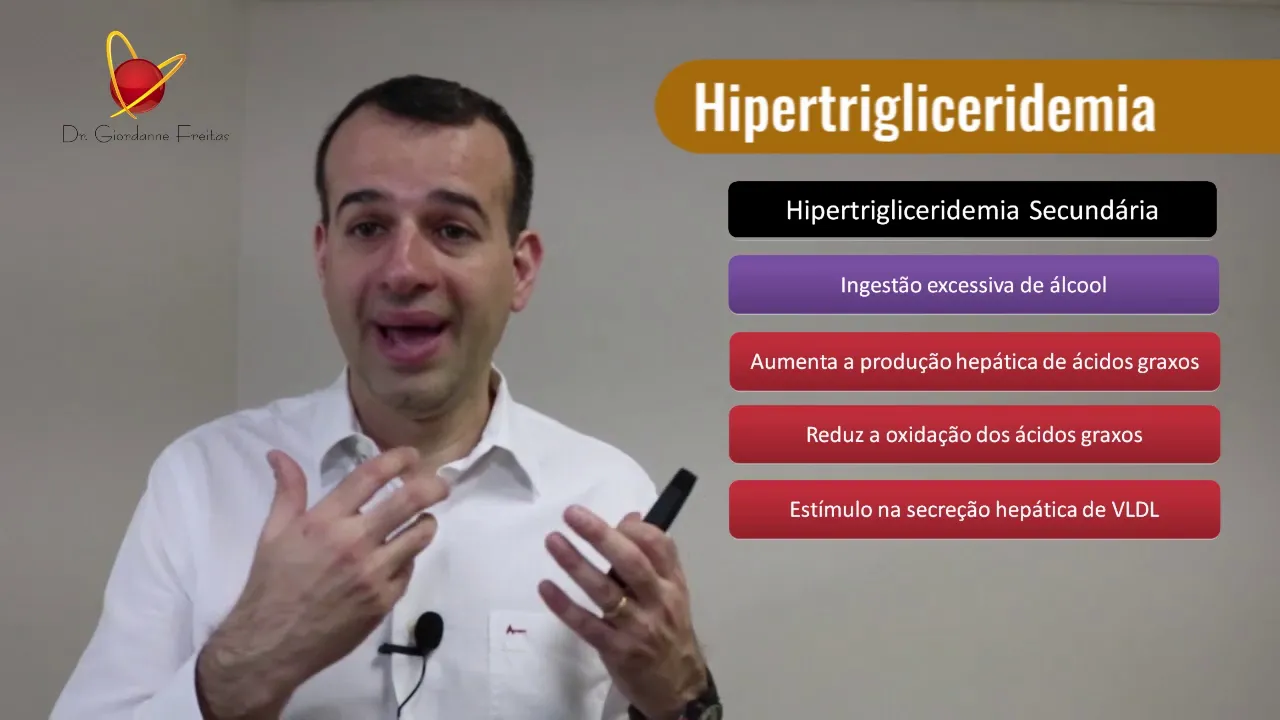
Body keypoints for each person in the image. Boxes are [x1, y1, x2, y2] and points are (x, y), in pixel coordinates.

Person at [51, 75, 721, 720]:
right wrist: (249, 661)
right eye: (369, 227)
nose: (404, 270)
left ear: (519, 270)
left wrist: (683, 698)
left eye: (452, 229)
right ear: (324, 258)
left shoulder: (609, 496)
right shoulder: (200, 480)